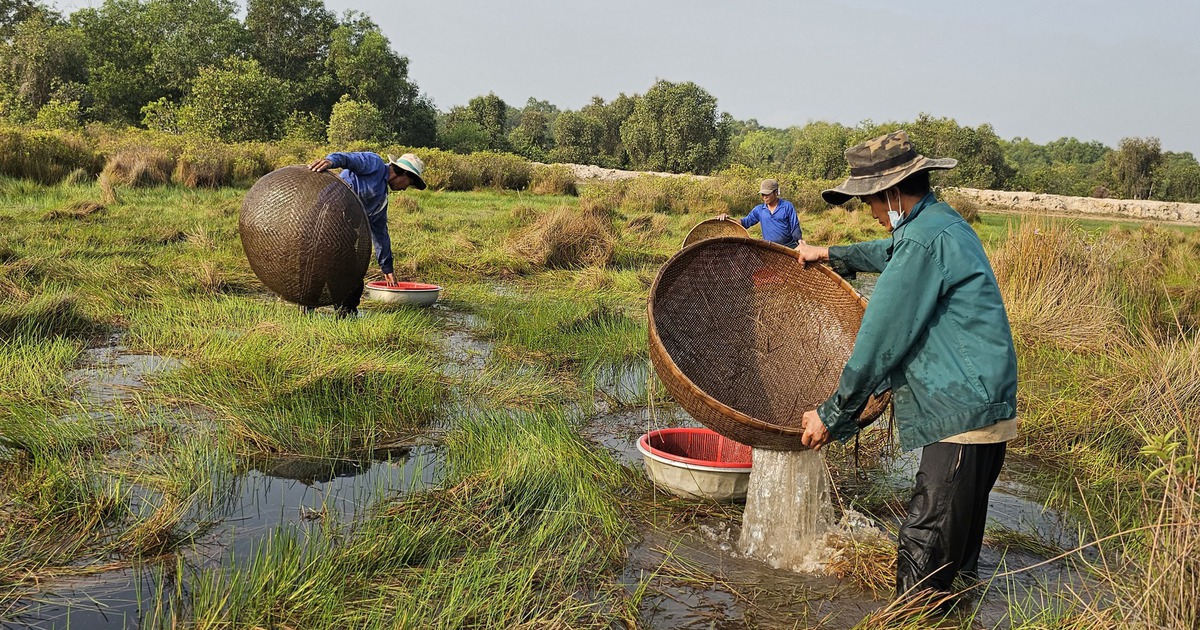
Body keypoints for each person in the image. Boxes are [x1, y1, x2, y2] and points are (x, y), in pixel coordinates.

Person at [793, 131, 1018, 606]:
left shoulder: (920, 241)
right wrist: (831, 254)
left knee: (923, 554)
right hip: (986, 409)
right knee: (957, 560)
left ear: (892, 192)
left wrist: (832, 414)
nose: (871, 212)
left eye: (871, 202)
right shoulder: (940, 224)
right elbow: (889, 252)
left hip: (961, 413)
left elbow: (878, 344)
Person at [307, 152, 426, 317]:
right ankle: (307, 311)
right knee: (318, 269)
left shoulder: (381, 201)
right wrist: (330, 161)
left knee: (353, 276)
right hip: (324, 220)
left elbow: (380, 234)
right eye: (410, 183)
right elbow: (347, 159)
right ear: (404, 173)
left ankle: (345, 315)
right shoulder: (374, 164)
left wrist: (387, 268)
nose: (405, 188)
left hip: (345, 235)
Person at [717, 179, 802, 248]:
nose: (764, 197)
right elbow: (744, 223)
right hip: (770, 248)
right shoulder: (759, 210)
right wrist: (727, 219)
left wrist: (799, 240)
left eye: (767, 194)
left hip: (789, 246)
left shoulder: (787, 206)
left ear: (776, 193)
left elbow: (795, 226)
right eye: (762, 194)